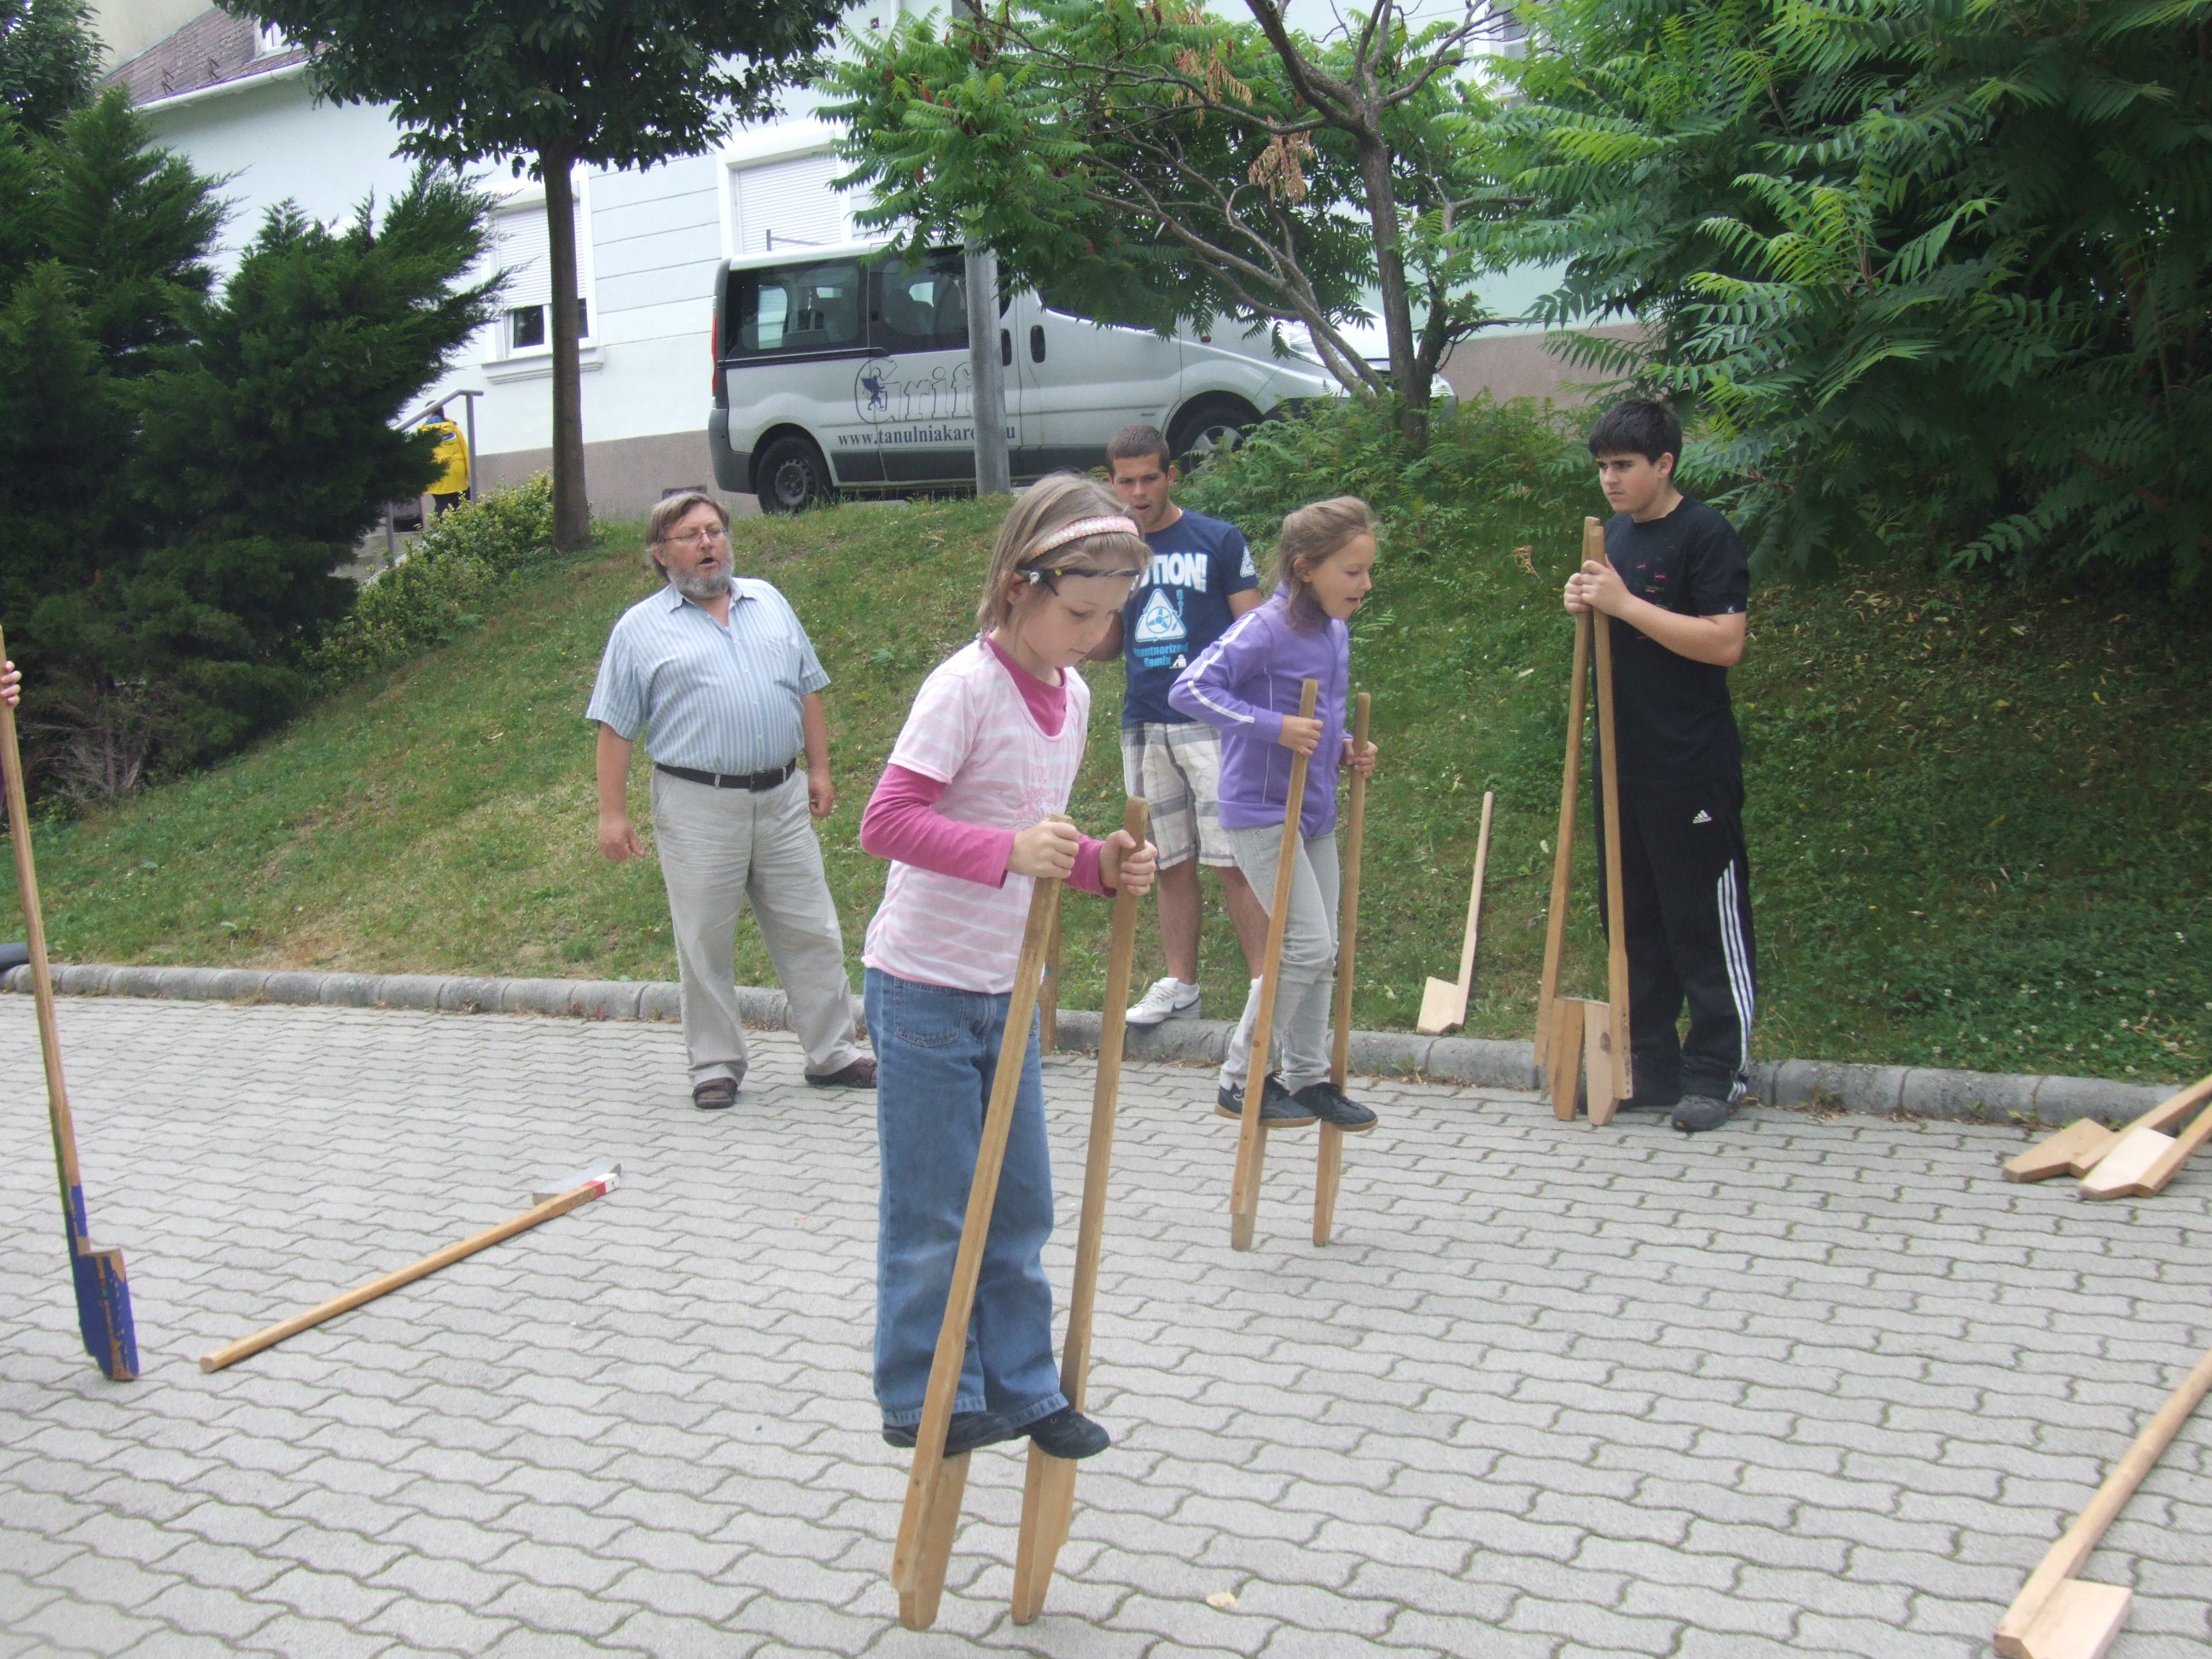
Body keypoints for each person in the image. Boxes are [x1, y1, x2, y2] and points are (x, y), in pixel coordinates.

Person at [858, 474, 1158, 1459]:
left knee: (1022, 1202)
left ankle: (1024, 1387)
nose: (1093, 636)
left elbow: (1040, 832)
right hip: (924, 987)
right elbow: (886, 823)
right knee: (937, 1209)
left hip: (1008, 988)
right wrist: (1008, 854)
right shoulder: (964, 688)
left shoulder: (1073, 696)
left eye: (1110, 619)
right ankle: (922, 1393)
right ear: (1019, 585)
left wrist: (1099, 863)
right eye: (1079, 614)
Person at [587, 491, 873, 1109]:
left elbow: (808, 689)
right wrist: (612, 814)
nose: (708, 543)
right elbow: (615, 727)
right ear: (660, 553)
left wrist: (820, 770)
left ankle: (833, 1053)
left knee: (812, 928)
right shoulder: (639, 629)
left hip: (782, 797)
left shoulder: (768, 601)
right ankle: (715, 1064)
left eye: (714, 529)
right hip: (697, 804)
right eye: (690, 535)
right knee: (704, 941)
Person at [1563, 398, 1755, 1136]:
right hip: (1624, 758)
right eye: (1602, 466)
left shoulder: (1705, 534)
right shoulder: (1612, 534)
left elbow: (1725, 642)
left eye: (1624, 465)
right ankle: (1651, 1064)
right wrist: (1587, 603)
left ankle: (1718, 1069)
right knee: (1634, 919)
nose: (1609, 479)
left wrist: (1623, 602)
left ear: (1665, 464)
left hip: (1691, 762)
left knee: (1699, 919)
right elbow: (1616, 621)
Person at [1171, 497, 1381, 1132]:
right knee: (1305, 944)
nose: (1365, 585)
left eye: (1369, 571)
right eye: (1352, 571)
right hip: (1261, 809)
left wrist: (1346, 747)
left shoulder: (1335, 632)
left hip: (1314, 810)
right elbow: (1191, 689)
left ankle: (1307, 1078)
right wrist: (1273, 726)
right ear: (1305, 568)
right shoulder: (1263, 628)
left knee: (1324, 949)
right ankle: (1240, 1077)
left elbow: (1321, 719)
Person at [1086, 423, 1268, 1029]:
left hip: (1211, 723)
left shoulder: (1217, 539)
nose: (1138, 492)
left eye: (1149, 479)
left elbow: (1254, 632)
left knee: (1233, 858)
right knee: (1167, 861)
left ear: (1171, 475)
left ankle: (1265, 992)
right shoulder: (1115, 552)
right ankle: (1182, 984)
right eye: (1126, 481)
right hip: (1144, 721)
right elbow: (1108, 644)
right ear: (1111, 483)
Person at [419, 410, 471, 515]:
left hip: (438, 472)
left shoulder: (424, 432)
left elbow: (421, 457)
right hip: (457, 470)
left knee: (442, 503)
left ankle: (442, 525)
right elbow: (466, 450)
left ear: (431, 413)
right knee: (462, 500)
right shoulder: (454, 429)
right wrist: (471, 473)